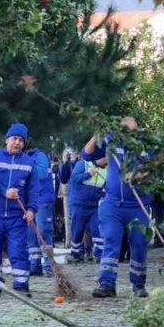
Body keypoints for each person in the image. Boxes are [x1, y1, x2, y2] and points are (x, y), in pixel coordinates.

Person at [83, 117, 150, 298]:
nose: (129, 135)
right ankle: (106, 284)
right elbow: (86, 154)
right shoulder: (112, 142)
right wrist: (99, 134)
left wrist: (138, 175)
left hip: (138, 205)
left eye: (133, 131)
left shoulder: (147, 147)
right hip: (112, 205)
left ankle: (138, 285)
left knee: (139, 243)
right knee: (111, 241)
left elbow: (156, 171)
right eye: (125, 131)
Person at [0, 123, 39, 298]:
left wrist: (31, 210)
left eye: (21, 140)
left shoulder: (29, 163)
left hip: (16, 216)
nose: (17, 142)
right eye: (14, 139)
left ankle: (21, 285)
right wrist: (5, 192)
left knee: (18, 250)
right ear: (7, 139)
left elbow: (33, 190)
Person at [65, 150, 105, 263]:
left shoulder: (106, 169)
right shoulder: (83, 164)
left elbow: (104, 186)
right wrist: (89, 174)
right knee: (77, 231)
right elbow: (74, 178)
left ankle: (100, 255)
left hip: (94, 206)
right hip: (78, 205)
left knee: (97, 230)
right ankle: (76, 254)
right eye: (105, 158)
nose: (107, 160)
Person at [25, 144, 56, 277]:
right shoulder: (23, 157)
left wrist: (25, 167)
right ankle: (35, 264)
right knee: (31, 232)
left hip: (43, 199)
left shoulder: (40, 156)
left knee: (43, 230)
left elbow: (42, 174)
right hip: (29, 200)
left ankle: (49, 266)